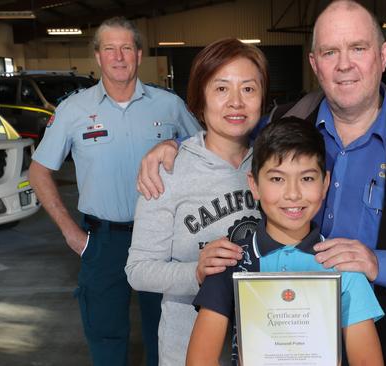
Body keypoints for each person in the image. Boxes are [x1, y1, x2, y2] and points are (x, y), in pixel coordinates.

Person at [137, 1, 386, 365]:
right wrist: (175, 147)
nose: (344, 64)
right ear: (314, 63)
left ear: (383, 55)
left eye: (358, 48)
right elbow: (229, 128)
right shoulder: (281, 124)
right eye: (330, 51)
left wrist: (379, 264)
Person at [29, 17, 201, 366]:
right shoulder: (73, 110)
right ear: (98, 56)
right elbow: (38, 171)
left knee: (168, 332)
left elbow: (204, 151)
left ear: (139, 55)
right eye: (110, 48)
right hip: (103, 240)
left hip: (163, 241)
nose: (119, 57)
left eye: (126, 48)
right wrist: (71, 233)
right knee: (106, 334)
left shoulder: (168, 105)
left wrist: (176, 142)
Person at [186, 117, 385, 366]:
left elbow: (367, 361)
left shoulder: (342, 266)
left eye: (307, 179)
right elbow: (200, 359)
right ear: (254, 185)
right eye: (277, 179)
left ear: (325, 184)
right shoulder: (230, 261)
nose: (293, 194)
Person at [125, 38, 267, 365]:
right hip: (186, 349)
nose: (236, 102)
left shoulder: (274, 165)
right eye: (221, 89)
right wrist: (196, 272)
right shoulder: (168, 170)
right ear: (200, 98)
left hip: (262, 346)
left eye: (248, 89)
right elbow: (138, 270)